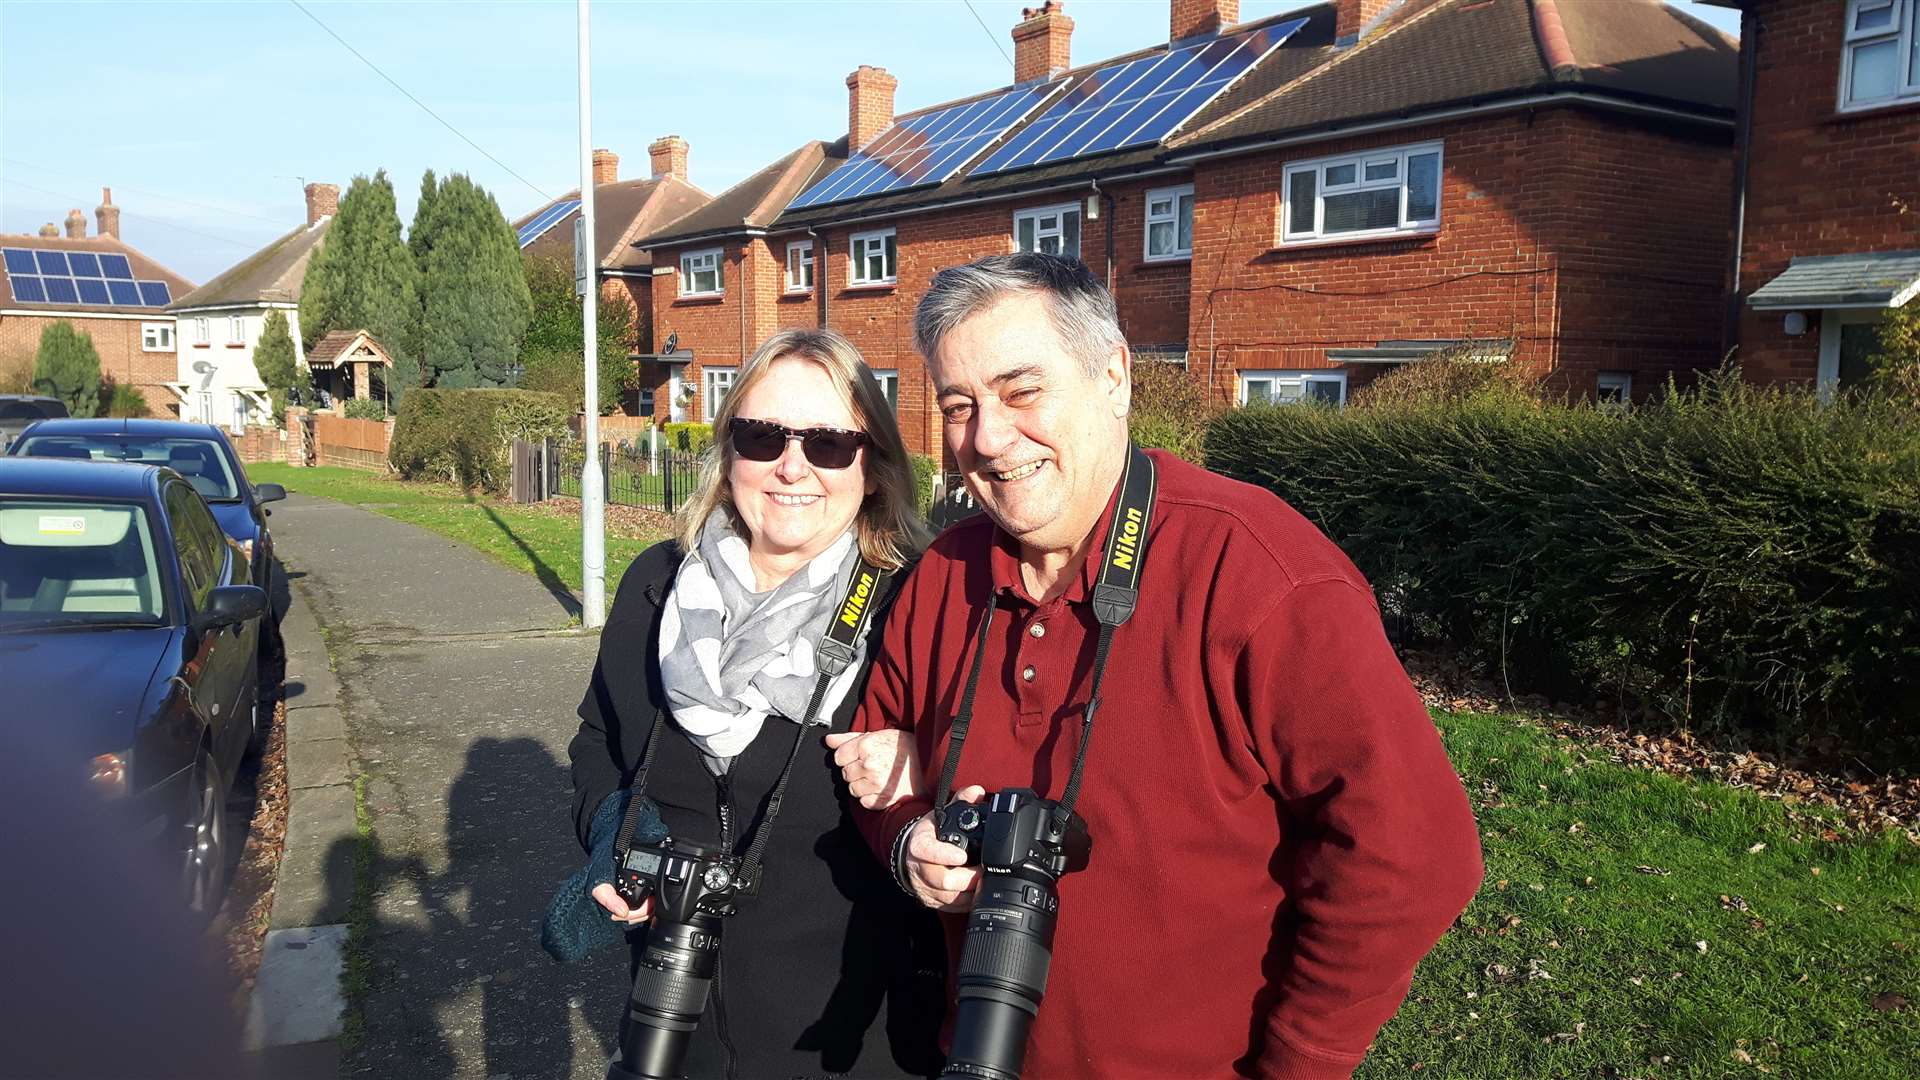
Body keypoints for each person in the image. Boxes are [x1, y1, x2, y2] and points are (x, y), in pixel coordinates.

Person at [846, 253, 1485, 1079]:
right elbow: (873, 751)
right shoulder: (944, 574)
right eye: (959, 405)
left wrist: (1297, 1063)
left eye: (1021, 391)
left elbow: (1413, 856)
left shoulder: (1259, 572)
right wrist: (908, 841)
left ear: (1113, 376)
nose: (989, 438)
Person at [568, 328, 944, 1079]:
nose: (791, 466)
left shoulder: (920, 604)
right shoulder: (657, 583)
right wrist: (615, 832)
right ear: (729, 450)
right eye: (762, 435)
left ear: (872, 467)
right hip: (671, 1034)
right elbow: (596, 742)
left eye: (831, 443)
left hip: (850, 1048)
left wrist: (927, 774)